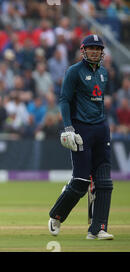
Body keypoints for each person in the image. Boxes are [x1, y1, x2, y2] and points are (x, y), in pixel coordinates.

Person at [48, 34, 114, 240]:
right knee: (81, 181)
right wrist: (69, 128)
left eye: (98, 48)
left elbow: (99, 102)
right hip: (81, 131)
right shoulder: (74, 71)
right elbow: (65, 100)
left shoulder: (104, 72)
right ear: (83, 50)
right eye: (91, 48)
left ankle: (97, 229)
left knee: (104, 182)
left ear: (102, 52)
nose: (94, 51)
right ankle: (56, 216)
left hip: (101, 129)